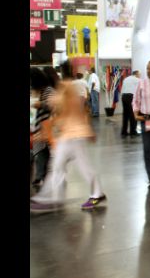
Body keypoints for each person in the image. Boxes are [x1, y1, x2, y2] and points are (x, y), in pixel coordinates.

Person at [30, 60, 107, 213]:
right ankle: (51, 198)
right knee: (58, 167)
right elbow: (65, 113)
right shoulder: (64, 88)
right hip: (69, 135)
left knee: (76, 167)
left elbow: (72, 109)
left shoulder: (65, 88)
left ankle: (54, 199)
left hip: (74, 135)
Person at [30, 67, 55, 188]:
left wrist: (40, 104)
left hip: (48, 126)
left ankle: (42, 177)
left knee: (45, 152)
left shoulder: (48, 90)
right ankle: (41, 176)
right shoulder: (35, 91)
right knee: (40, 152)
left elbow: (54, 105)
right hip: (37, 126)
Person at [120, 70, 141, 137]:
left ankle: (124, 132)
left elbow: (122, 89)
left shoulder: (126, 79)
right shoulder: (137, 80)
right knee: (133, 114)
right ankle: (133, 132)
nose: (140, 76)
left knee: (125, 115)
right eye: (139, 74)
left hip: (124, 96)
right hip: (131, 97)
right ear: (136, 74)